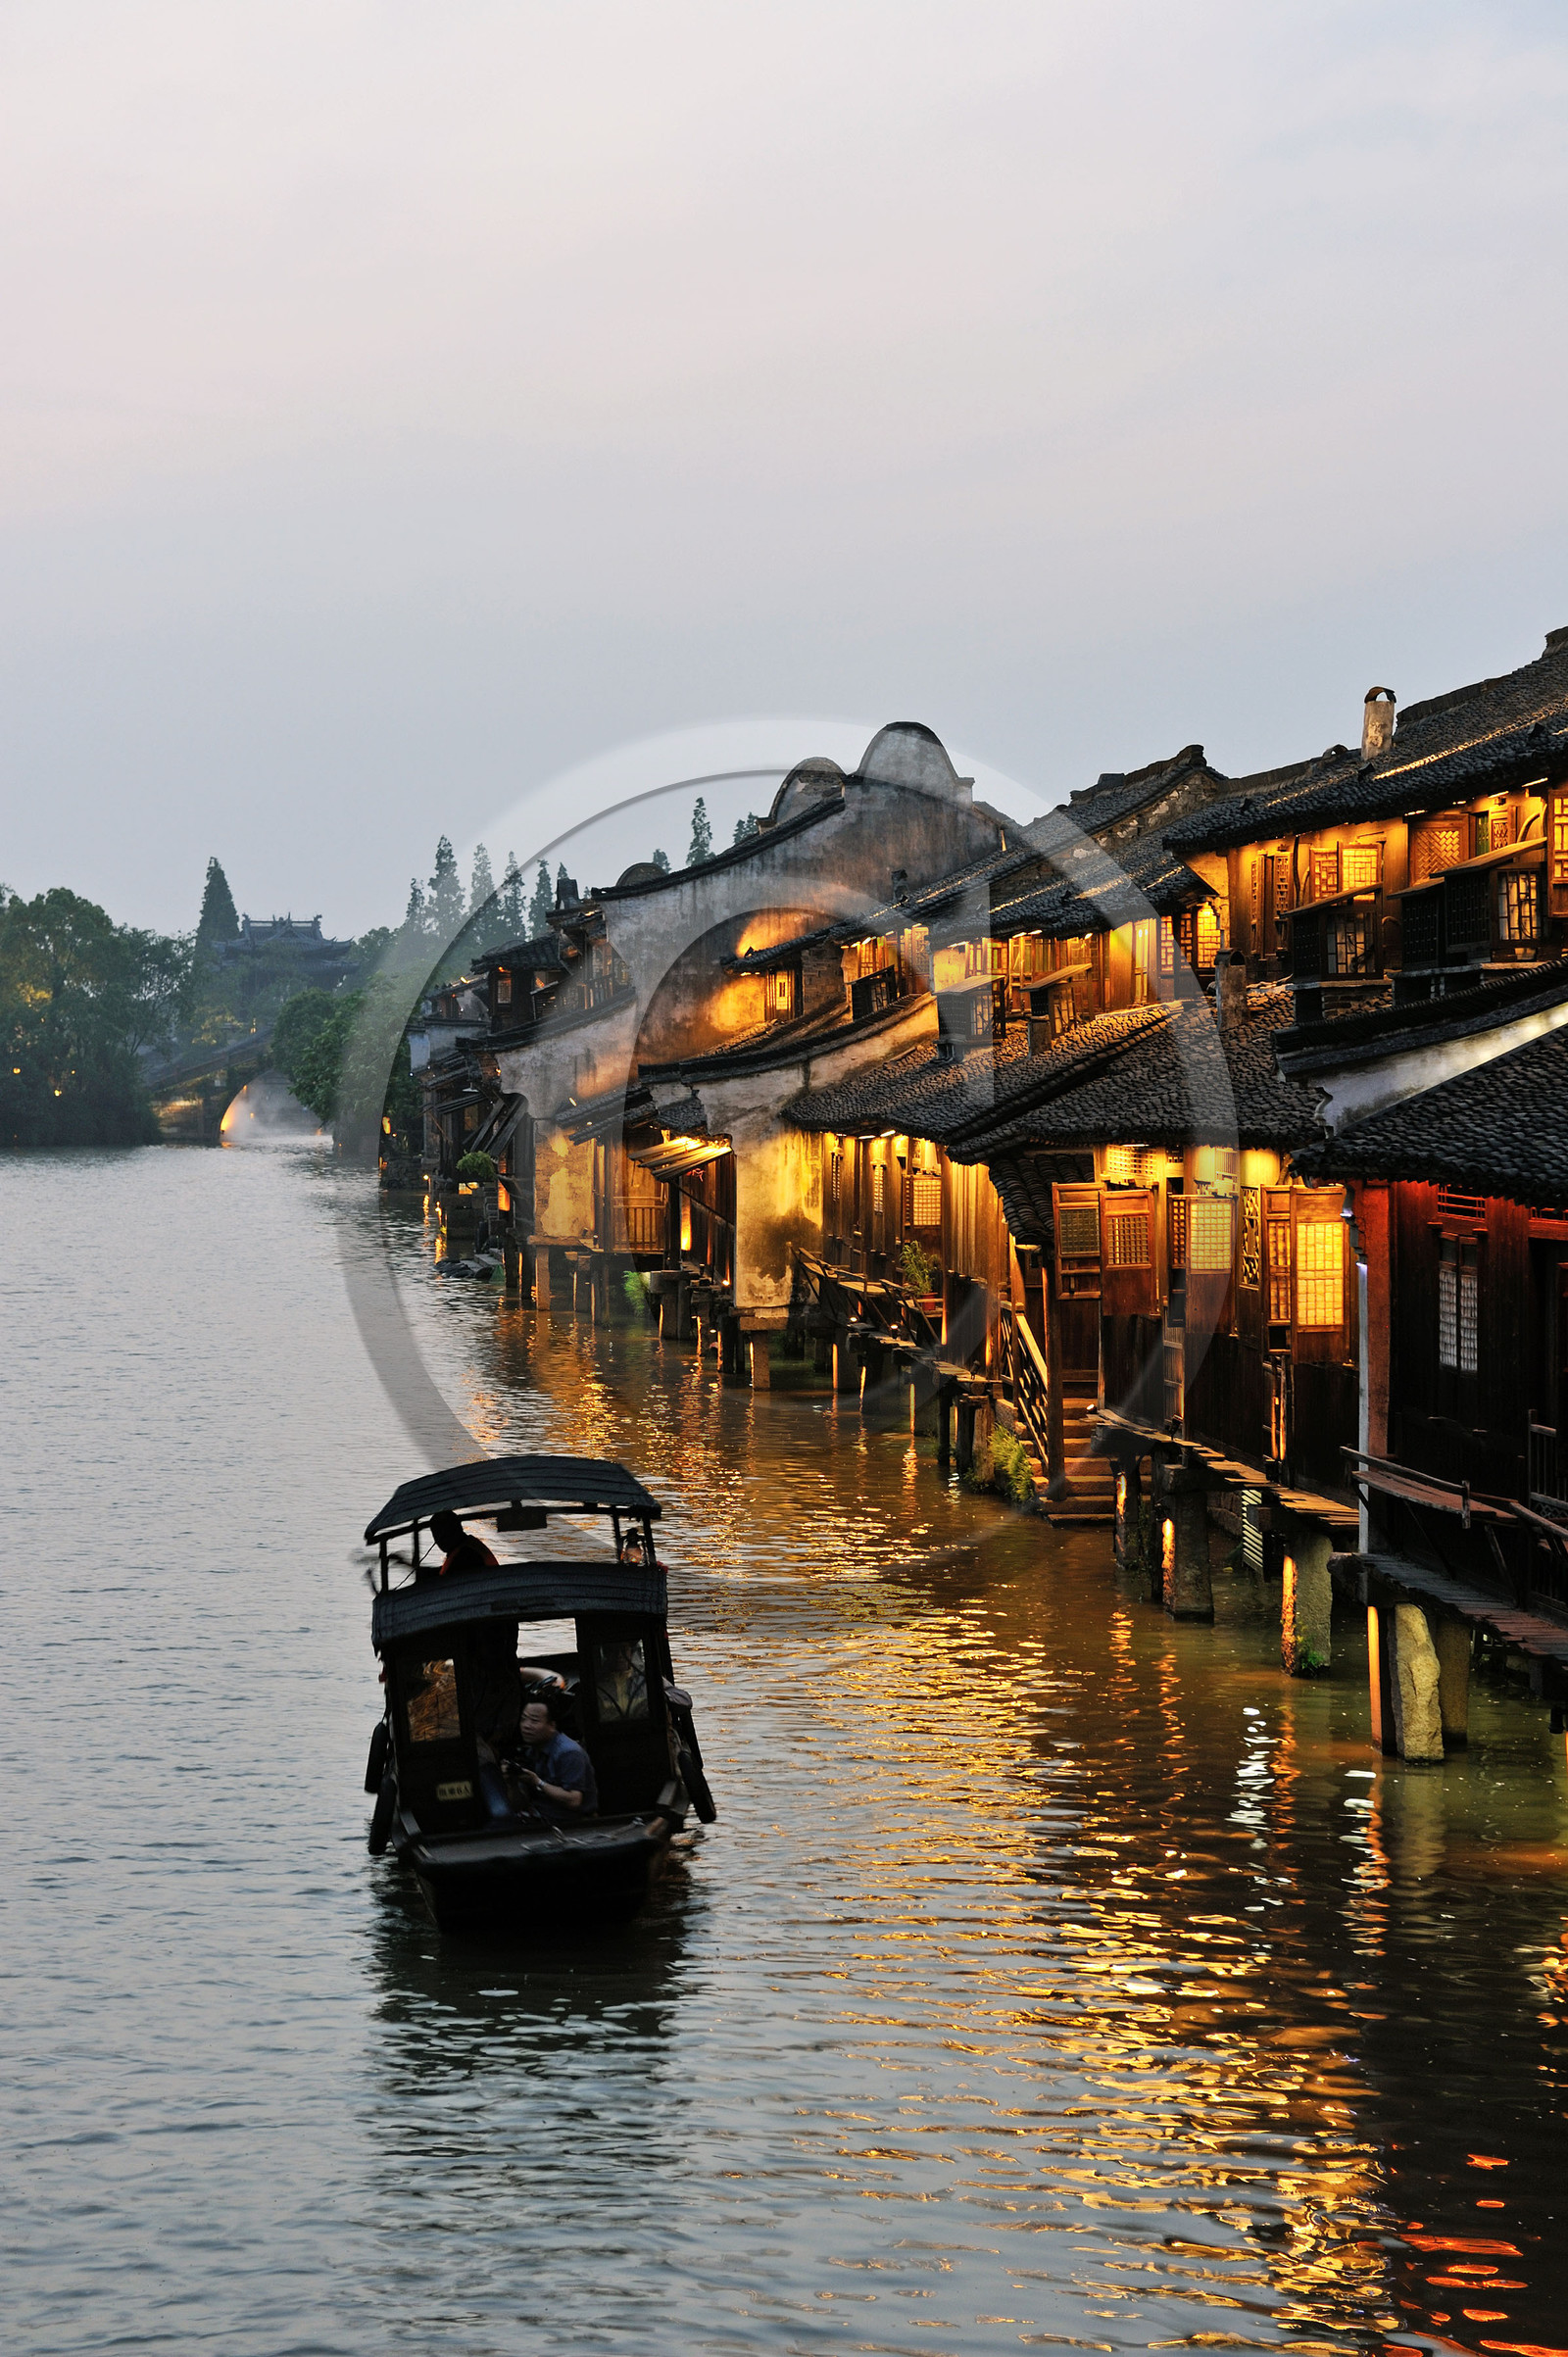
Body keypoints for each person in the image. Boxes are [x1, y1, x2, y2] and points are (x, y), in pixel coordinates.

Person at [514, 1694, 598, 1821]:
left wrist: (538, 1782)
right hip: (540, 1816)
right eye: (523, 1719)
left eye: (534, 1721)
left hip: (572, 1822)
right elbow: (518, 1804)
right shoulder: (532, 1751)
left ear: (552, 1725)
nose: (526, 1725)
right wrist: (512, 1783)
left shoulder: (568, 1752)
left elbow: (574, 1800)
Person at [428, 1509, 498, 1578]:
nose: (438, 1540)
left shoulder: (466, 1555)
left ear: (455, 1529)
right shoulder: (468, 1546)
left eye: (440, 1534)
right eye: (435, 1535)